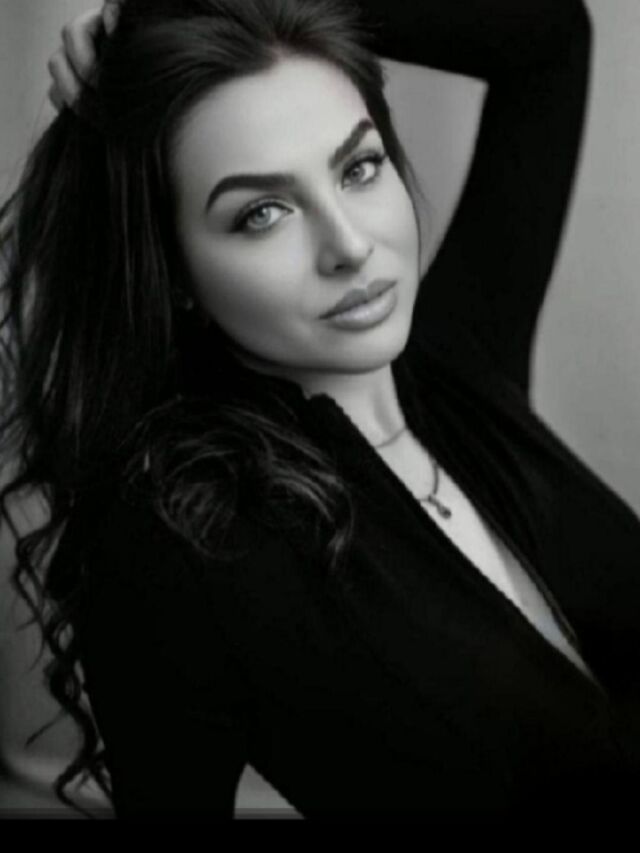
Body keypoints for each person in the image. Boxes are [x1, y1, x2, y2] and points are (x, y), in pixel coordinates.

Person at [2, 0, 639, 821]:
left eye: (359, 168)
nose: (350, 245)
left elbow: (550, 39)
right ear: (176, 274)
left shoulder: (459, 357)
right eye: (262, 213)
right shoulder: (185, 543)